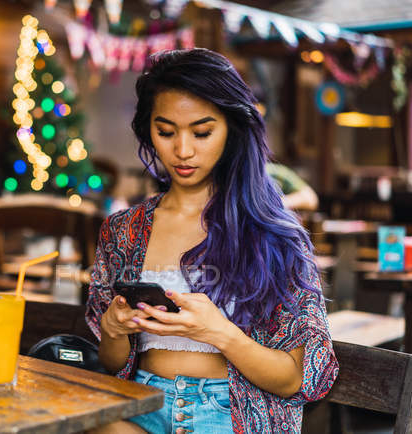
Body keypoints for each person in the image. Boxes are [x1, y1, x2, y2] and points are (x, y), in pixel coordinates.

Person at [85, 48, 338, 433]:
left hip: (228, 415)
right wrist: (115, 329)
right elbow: (112, 362)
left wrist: (216, 331)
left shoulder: (274, 234)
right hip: (140, 408)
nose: (182, 151)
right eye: (165, 132)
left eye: (202, 132)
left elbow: (294, 378)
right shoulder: (123, 231)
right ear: (147, 129)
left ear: (232, 128)